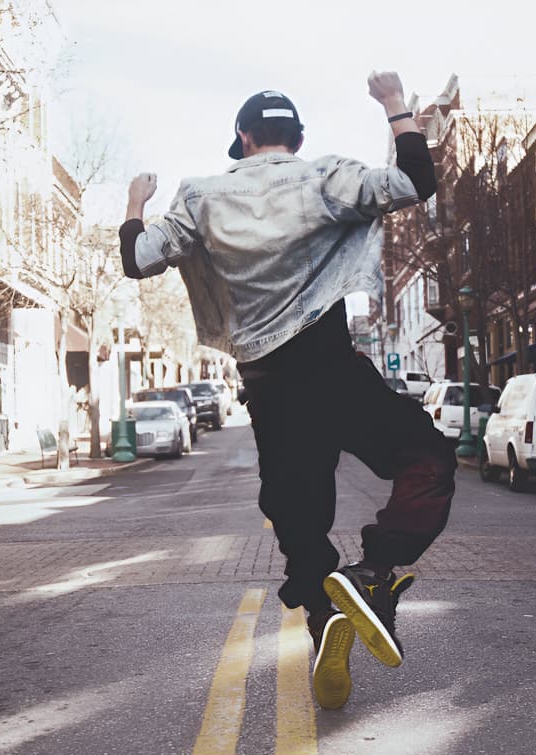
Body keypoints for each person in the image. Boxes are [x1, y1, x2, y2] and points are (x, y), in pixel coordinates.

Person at [119, 71, 457, 709]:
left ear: (242, 139)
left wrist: (137, 201)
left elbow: (138, 259)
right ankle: (374, 572)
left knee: (302, 529)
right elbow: (417, 180)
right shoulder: (326, 176)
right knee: (429, 460)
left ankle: (327, 616)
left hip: (271, 390)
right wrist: (393, 104)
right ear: (296, 138)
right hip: (334, 370)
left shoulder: (201, 197)